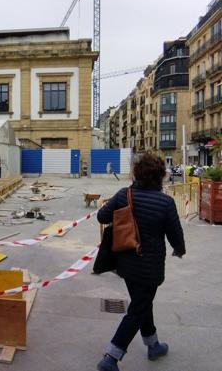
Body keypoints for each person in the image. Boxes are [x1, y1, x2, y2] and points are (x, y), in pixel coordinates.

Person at [95, 152, 185, 371]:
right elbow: (175, 234)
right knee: (137, 309)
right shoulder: (166, 202)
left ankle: (153, 345)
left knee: (142, 304)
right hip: (150, 268)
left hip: (125, 264)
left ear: (137, 173)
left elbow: (102, 217)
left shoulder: (124, 194)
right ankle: (111, 357)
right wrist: (179, 250)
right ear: (160, 175)